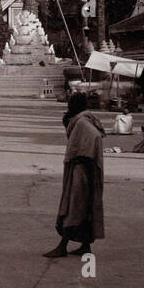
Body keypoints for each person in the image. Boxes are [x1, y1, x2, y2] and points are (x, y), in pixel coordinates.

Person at [44, 95, 105, 258]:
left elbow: (95, 136)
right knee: (84, 208)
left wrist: (84, 157)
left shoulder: (82, 122)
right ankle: (85, 246)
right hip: (84, 168)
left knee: (73, 207)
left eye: (70, 103)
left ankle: (62, 246)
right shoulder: (81, 119)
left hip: (83, 169)